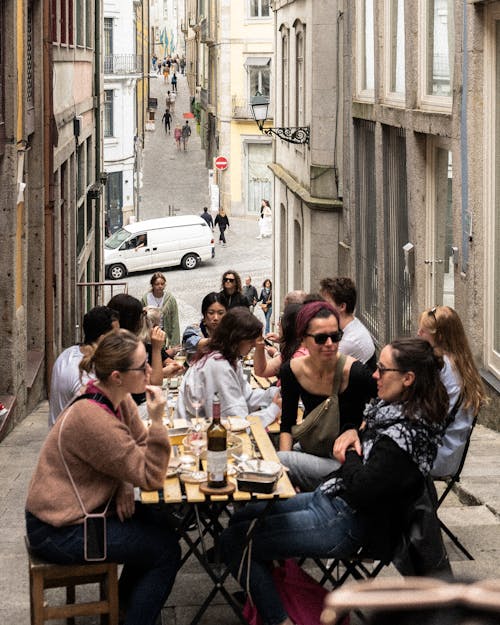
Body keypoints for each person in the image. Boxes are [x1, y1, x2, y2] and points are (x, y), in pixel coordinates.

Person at [221, 337, 448, 625]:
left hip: (344, 522)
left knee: (234, 541)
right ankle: (276, 594)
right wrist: (353, 432)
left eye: (382, 369)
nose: (375, 375)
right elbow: (360, 438)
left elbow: (362, 488)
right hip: (331, 499)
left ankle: (280, 617)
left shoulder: (407, 434)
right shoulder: (392, 413)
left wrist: (349, 451)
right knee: (244, 516)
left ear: (408, 379)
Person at [25, 329, 181, 625]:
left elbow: (133, 447)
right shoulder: (94, 417)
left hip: (78, 514)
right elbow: (151, 476)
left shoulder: (114, 397)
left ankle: (122, 609)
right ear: (117, 375)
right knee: (165, 551)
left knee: (159, 522)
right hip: (58, 530)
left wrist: (123, 481)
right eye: (142, 365)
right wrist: (158, 420)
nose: (150, 369)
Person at [278, 300, 376, 491]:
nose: (330, 344)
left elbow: (387, 408)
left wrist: (358, 429)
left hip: (346, 462)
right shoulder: (291, 370)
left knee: (279, 461)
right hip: (314, 447)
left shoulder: (354, 372)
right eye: (321, 338)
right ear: (303, 339)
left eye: (336, 336)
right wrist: (286, 476)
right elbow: (287, 424)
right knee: (273, 463)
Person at [175, 307, 281, 427]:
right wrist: (273, 410)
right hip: (195, 432)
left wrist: (273, 394)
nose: (254, 345)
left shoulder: (228, 357)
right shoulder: (218, 365)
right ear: (237, 338)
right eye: (251, 340)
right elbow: (235, 420)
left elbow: (246, 396)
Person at [417, 305, 487, 477]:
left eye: (423, 331)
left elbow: (422, 415)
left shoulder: (441, 368)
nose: (418, 334)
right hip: (451, 456)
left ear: (439, 337)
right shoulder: (461, 365)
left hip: (435, 456)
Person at [48, 306, 120, 427]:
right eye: (116, 336)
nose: (119, 340)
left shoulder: (68, 353)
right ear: (103, 339)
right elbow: (94, 422)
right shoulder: (85, 375)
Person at [320, 277, 376, 371]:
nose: (321, 307)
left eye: (326, 304)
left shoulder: (349, 341)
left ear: (342, 306)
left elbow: (322, 369)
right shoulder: (352, 323)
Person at [253, 302, 307, 379]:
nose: (278, 324)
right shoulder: (303, 345)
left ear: (289, 326)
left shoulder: (297, 355)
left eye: (281, 320)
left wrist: (259, 343)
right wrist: (282, 339)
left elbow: (261, 371)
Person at [182, 292, 227, 362]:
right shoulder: (193, 330)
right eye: (211, 313)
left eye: (220, 313)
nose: (216, 318)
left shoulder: (230, 331)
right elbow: (191, 343)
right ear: (204, 314)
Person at [141, 272, 180, 348]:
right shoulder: (145, 299)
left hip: (164, 334)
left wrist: (175, 343)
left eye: (162, 284)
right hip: (149, 335)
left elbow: (174, 320)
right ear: (152, 285)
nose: (160, 286)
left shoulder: (170, 299)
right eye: (157, 284)